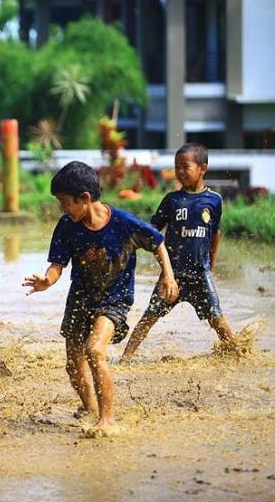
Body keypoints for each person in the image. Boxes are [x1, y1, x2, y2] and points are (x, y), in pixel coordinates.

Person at [23, 161, 178, 436]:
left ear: (84, 198)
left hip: (115, 299)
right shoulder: (67, 225)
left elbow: (158, 242)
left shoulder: (123, 223)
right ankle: (91, 410)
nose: (62, 208)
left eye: (64, 202)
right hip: (80, 298)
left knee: (95, 351)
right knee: (73, 363)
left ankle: (107, 419)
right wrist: (47, 281)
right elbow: (57, 265)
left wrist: (168, 275)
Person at [121, 143, 238, 362]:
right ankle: (125, 359)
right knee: (149, 316)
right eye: (177, 167)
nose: (180, 172)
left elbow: (215, 233)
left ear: (202, 168)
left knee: (217, 319)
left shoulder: (214, 201)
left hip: (200, 274)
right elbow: (152, 231)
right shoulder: (172, 201)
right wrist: (129, 244)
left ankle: (238, 355)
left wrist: (211, 264)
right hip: (172, 276)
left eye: (185, 166)